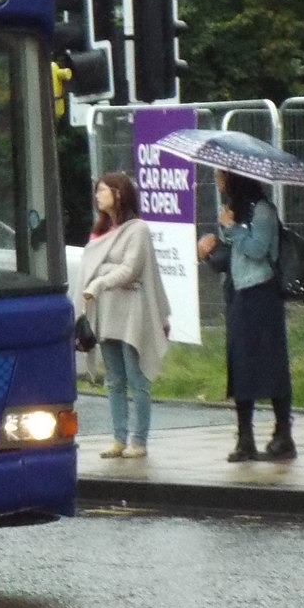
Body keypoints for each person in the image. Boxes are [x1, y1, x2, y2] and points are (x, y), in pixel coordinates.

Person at [197, 170, 294, 461]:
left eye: (220, 176)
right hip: (238, 294)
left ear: (234, 179)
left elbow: (256, 248)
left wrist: (233, 228)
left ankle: (283, 434)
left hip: (262, 294)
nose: (217, 181)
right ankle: (245, 437)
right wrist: (213, 243)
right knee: (240, 365)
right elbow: (233, 254)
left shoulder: (263, 211)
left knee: (271, 362)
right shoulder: (232, 210)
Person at [78, 172, 170, 459]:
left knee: (137, 378)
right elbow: (92, 265)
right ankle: (118, 438)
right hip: (106, 312)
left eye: (103, 190)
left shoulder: (137, 230)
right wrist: (106, 274)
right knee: (114, 380)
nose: (97, 196)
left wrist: (101, 279)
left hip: (132, 315)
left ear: (119, 193)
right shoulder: (101, 231)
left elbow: (130, 269)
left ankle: (138, 441)